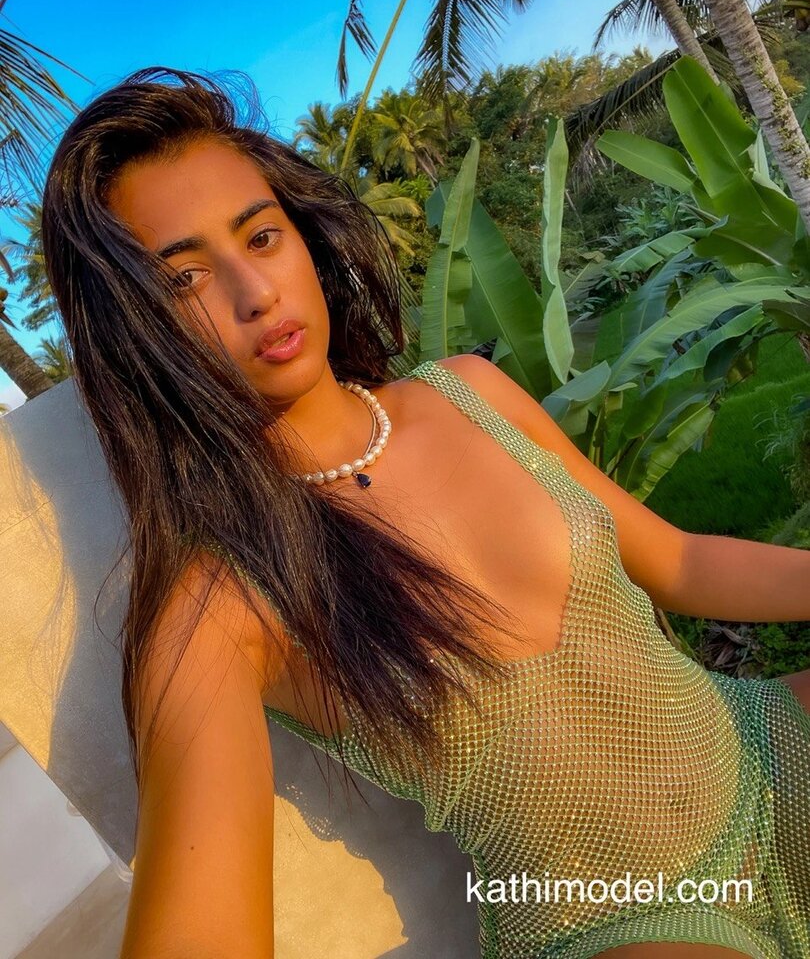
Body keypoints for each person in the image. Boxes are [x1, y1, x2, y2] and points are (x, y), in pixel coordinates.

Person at [38, 67, 809, 959]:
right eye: (184, 281)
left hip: (761, 751)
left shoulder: (467, 393)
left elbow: (678, 561)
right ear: (135, 333)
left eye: (262, 235)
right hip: (619, 919)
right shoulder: (219, 608)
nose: (256, 293)